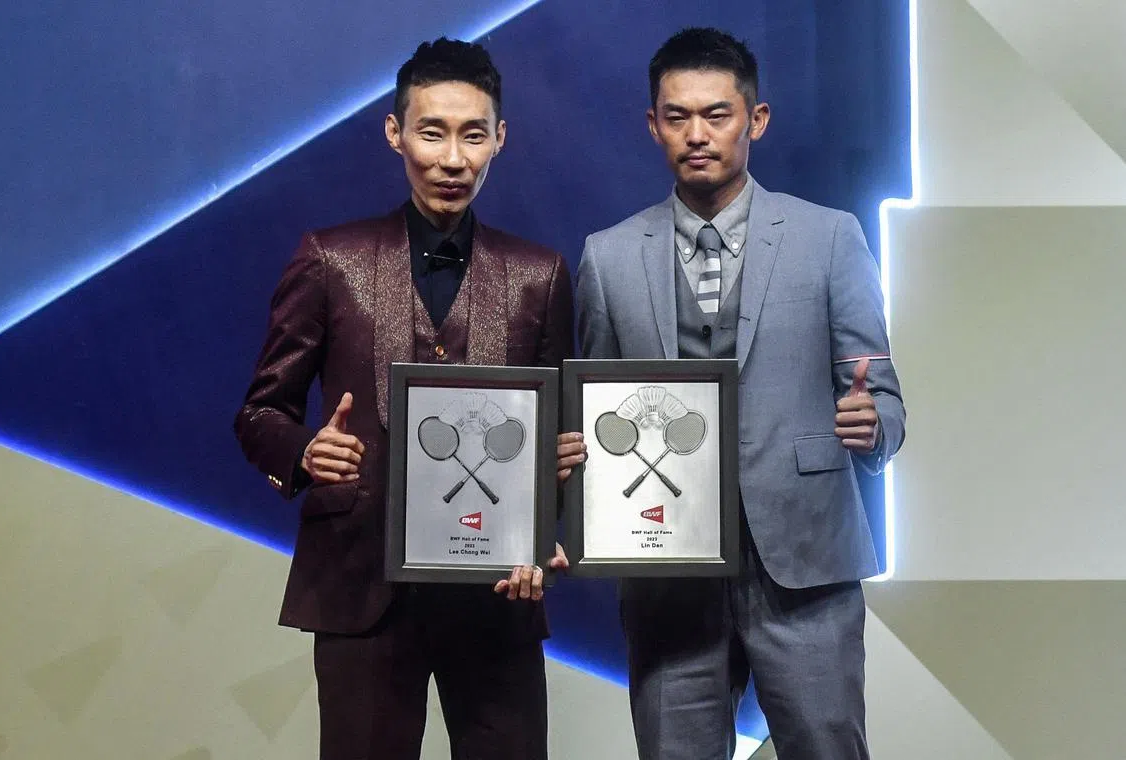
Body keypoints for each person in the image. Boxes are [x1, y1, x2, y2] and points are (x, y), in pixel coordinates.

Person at [234, 37, 586, 760]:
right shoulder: (329, 258)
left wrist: (546, 533)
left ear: (500, 140)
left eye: (472, 135)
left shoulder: (539, 275)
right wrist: (306, 448)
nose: (452, 159)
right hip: (360, 587)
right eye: (432, 132)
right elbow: (260, 412)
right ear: (395, 133)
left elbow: (559, 440)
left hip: (498, 596)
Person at [574, 27, 906, 760]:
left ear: (755, 120)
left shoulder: (830, 238)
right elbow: (595, 413)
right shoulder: (609, 255)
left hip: (806, 561)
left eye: (717, 114)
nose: (698, 134)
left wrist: (873, 424)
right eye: (678, 116)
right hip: (667, 569)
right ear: (653, 124)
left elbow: (883, 398)